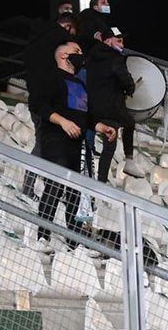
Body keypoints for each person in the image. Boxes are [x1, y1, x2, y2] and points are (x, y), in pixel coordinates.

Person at [31, 41, 116, 249]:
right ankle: (43, 235)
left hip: (76, 145)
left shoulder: (80, 83)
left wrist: (101, 127)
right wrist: (62, 121)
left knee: (75, 192)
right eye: (76, 51)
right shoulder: (49, 77)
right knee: (55, 185)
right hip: (54, 141)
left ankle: (73, 241)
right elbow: (37, 104)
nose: (81, 54)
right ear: (62, 56)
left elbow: (85, 116)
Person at [22, 11, 76, 197]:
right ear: (67, 28)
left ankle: (47, 189)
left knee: (46, 146)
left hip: (38, 99)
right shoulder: (54, 47)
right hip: (46, 103)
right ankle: (30, 188)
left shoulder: (37, 43)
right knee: (42, 146)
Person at [87, 28, 136, 185]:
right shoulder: (115, 58)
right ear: (108, 41)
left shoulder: (91, 57)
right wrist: (130, 88)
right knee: (109, 148)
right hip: (111, 109)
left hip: (92, 108)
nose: (122, 45)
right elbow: (125, 79)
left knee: (89, 147)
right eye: (119, 40)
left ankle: (90, 178)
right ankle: (101, 183)